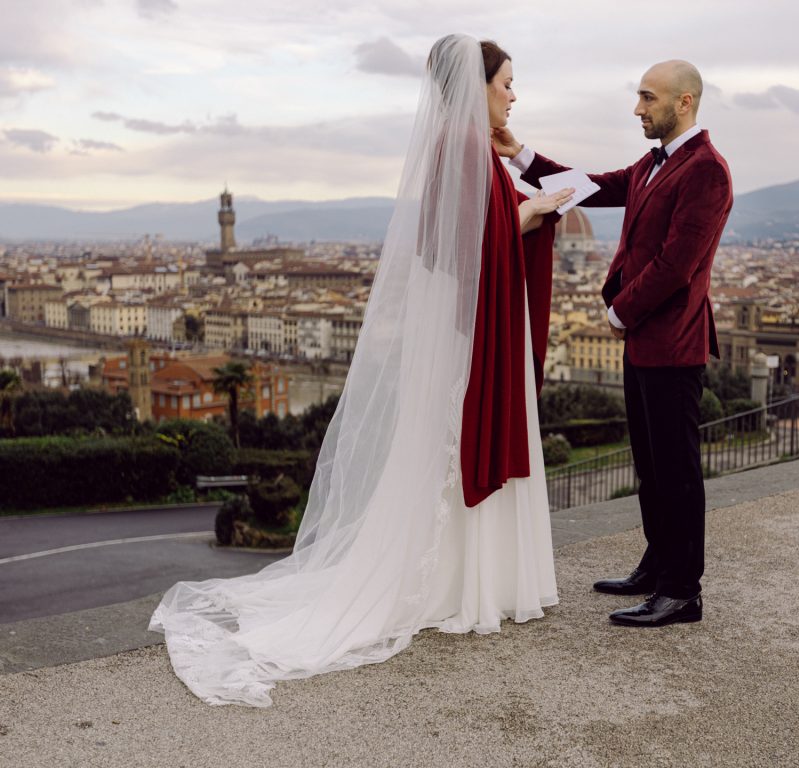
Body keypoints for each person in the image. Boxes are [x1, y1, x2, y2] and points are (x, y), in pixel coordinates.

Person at [149, 34, 573, 707]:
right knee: (457, 443)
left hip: (471, 327)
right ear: (477, 85)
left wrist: (519, 188)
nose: (514, 95)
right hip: (478, 330)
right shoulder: (464, 151)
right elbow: (473, 244)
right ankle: (471, 585)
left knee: (440, 447)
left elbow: (458, 243)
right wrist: (535, 211)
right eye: (508, 83)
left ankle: (467, 581)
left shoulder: (457, 148)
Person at [494, 59, 732, 627]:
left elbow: (678, 264)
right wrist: (519, 152)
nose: (638, 108)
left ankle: (681, 590)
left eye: (648, 98)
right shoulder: (655, 165)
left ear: (684, 103)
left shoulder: (706, 171)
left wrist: (620, 312)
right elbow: (590, 188)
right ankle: (657, 564)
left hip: (673, 343)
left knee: (677, 468)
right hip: (645, 341)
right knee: (651, 464)